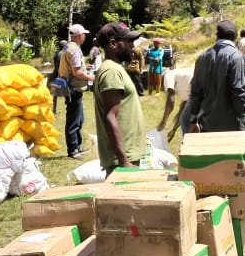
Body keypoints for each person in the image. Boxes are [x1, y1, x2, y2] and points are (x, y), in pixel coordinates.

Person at [188, 20, 245, 143]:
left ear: (217, 36)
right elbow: (239, 92)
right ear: (235, 37)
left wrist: (193, 120)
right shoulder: (236, 57)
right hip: (232, 125)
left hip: (207, 124)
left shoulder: (202, 57)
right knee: (240, 161)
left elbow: (195, 92)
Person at [93, 22, 148, 173]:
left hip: (128, 154)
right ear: (113, 44)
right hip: (123, 160)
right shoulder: (111, 71)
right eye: (129, 41)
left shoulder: (116, 68)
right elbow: (110, 117)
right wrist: (123, 161)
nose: (133, 46)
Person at [59, 24, 95, 160]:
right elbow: (77, 72)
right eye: (84, 34)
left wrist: (86, 68)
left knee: (79, 119)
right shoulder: (75, 50)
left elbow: (74, 67)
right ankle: (73, 150)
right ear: (80, 36)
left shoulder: (68, 47)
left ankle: (77, 147)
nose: (85, 36)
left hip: (70, 87)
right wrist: (90, 76)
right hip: (73, 88)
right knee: (74, 121)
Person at [156, 65, 194, 142]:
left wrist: (163, 122)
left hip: (202, 90)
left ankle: (189, 146)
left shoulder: (168, 75)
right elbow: (182, 112)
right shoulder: (183, 82)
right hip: (205, 89)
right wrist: (173, 129)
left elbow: (170, 102)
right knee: (186, 119)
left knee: (186, 121)